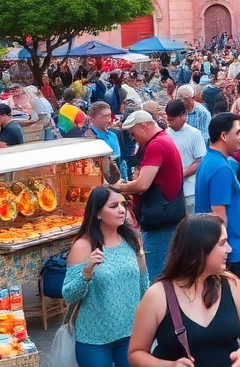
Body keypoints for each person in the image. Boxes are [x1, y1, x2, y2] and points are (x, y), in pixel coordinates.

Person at [128, 214, 240, 367]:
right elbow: (135, 353)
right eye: (222, 243)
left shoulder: (231, 284)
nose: (229, 249)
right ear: (200, 249)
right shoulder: (157, 295)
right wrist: (169, 366)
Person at [64, 187, 148, 367]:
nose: (121, 209)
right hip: (94, 339)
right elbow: (69, 295)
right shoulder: (83, 247)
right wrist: (86, 272)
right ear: (98, 214)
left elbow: (143, 282)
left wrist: (148, 320)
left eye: (123, 204)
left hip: (130, 334)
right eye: (113, 206)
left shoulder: (133, 239)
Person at [116, 109, 185, 282]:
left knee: (157, 278)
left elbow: (142, 184)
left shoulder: (156, 145)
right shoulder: (164, 140)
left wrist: (116, 188)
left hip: (160, 222)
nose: (132, 139)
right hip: (167, 219)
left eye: (133, 134)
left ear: (144, 126)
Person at [196, 112, 240, 278]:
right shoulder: (221, 167)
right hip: (230, 255)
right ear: (224, 136)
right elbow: (218, 214)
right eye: (237, 132)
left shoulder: (212, 160)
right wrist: (223, 249)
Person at [164, 99, 207, 213]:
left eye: (173, 120)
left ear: (183, 116)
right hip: (171, 192)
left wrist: (180, 174)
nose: (170, 123)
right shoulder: (165, 135)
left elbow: (200, 160)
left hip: (190, 191)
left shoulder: (194, 134)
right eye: (168, 120)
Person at [84, 102, 124, 179]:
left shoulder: (113, 135)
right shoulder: (89, 139)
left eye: (109, 116)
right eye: (104, 117)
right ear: (92, 118)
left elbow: (119, 160)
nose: (108, 120)